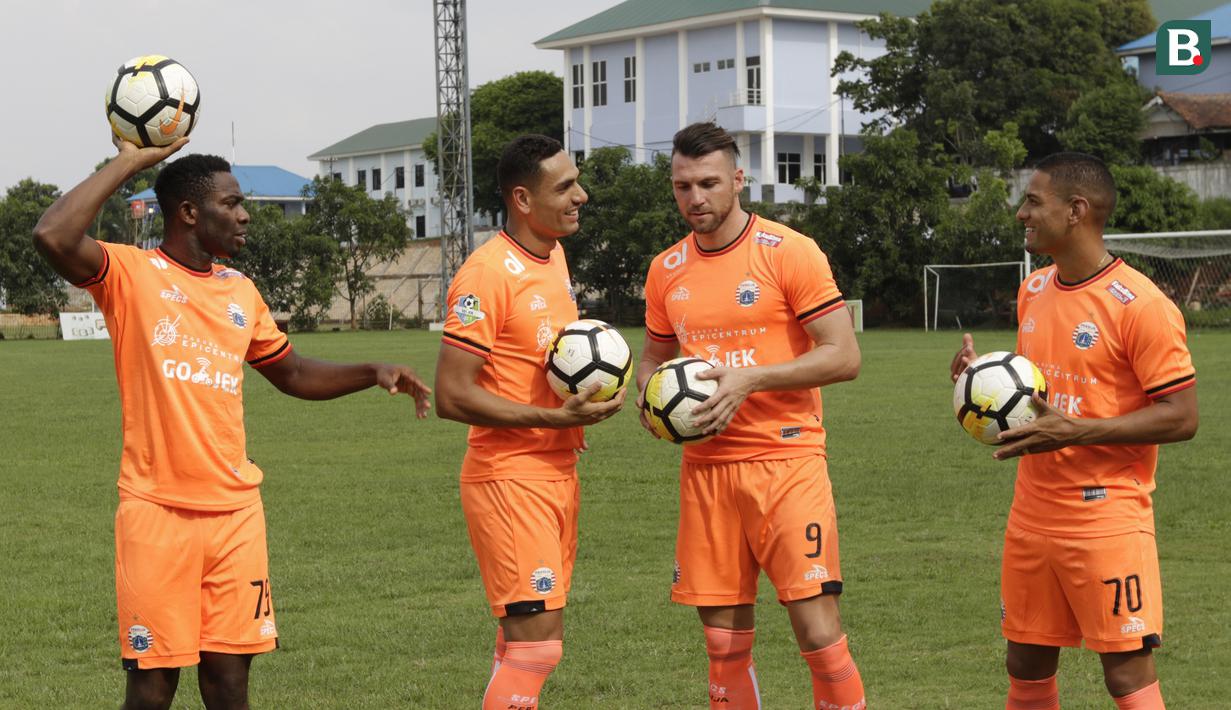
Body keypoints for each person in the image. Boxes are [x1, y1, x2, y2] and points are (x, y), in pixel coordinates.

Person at [32, 137, 432, 710]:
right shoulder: (131, 273)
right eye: (232, 202)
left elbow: (292, 372)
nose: (245, 215)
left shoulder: (239, 290)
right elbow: (53, 235)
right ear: (189, 213)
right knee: (152, 689)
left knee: (229, 684)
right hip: (157, 512)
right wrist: (131, 161)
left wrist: (373, 371)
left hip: (236, 515)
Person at [949, 152, 1199, 710]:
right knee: (1026, 663)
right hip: (1032, 512)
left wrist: (1077, 432)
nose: (1022, 214)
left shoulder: (1143, 306)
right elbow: (1036, 389)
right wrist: (979, 382)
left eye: (1034, 201)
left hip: (1105, 516)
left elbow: (1182, 416)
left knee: (1126, 674)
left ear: (1076, 210)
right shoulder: (1034, 289)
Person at [637, 122, 865, 710]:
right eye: (682, 186)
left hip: (786, 463)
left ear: (739, 179)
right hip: (707, 472)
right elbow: (654, 358)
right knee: (723, 645)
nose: (695, 198)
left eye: (708, 183)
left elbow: (844, 356)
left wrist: (752, 379)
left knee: (818, 634)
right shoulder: (666, 269)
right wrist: (652, 400)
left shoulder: (789, 252)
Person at [433, 134, 624, 709]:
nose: (580, 196)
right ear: (522, 198)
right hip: (510, 477)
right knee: (537, 646)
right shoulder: (486, 274)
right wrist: (553, 417)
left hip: (555, 473)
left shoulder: (554, 256)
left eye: (576, 182)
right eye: (564, 187)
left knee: (521, 644)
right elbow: (451, 394)